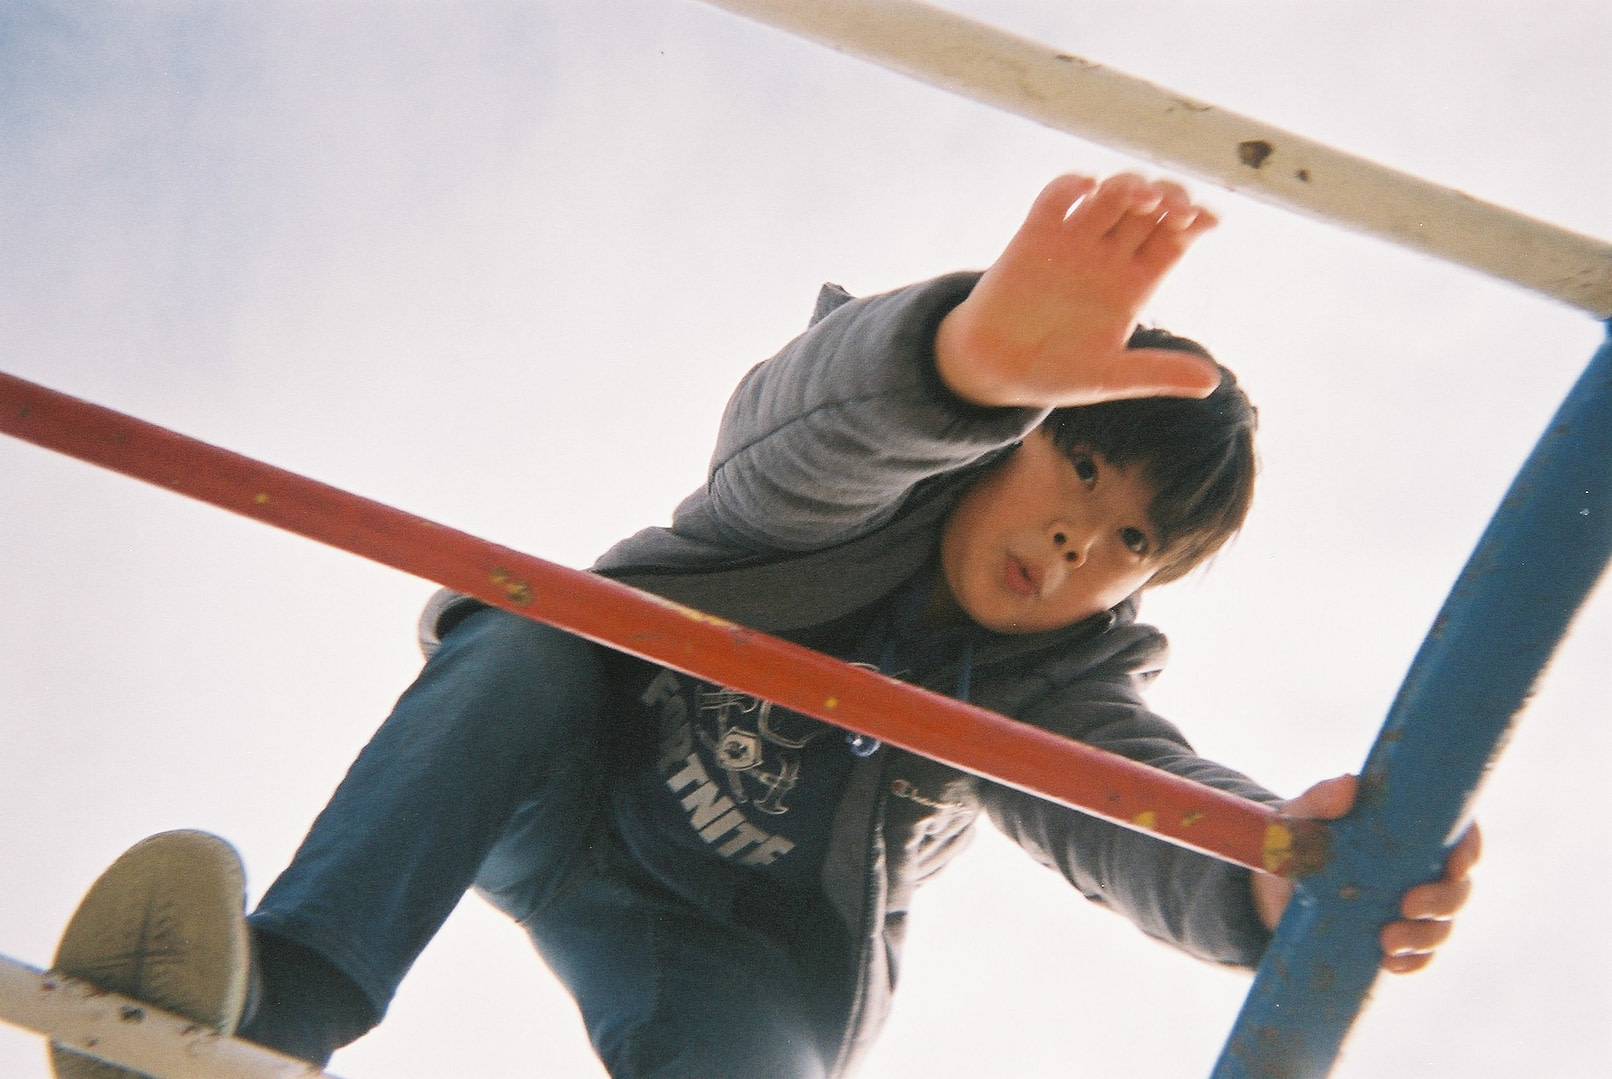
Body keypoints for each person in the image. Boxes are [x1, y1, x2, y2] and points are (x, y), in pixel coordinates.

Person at [49, 173, 1479, 1079]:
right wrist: (965, 368)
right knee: (531, 631)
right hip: (566, 779)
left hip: (742, 947)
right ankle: (278, 1005)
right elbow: (789, 443)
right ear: (1019, 441)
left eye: (1130, 545)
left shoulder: (1057, 682)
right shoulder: (844, 502)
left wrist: (1269, 877)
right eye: (1081, 472)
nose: (1076, 542)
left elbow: (1124, 805)